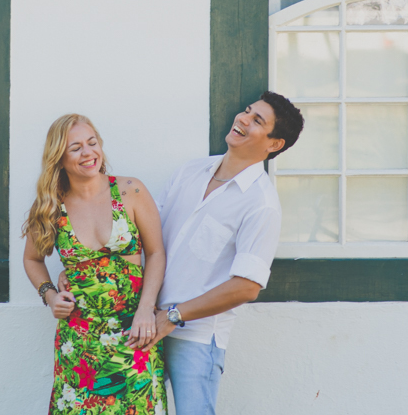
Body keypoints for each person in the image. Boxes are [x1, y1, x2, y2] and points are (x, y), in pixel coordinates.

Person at [70, 92, 302, 415]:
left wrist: (173, 316)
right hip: (141, 321)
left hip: (194, 337)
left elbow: (248, 285)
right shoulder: (190, 171)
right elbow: (143, 242)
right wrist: (77, 274)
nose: (243, 119)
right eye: (247, 111)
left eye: (257, 120)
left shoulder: (261, 204)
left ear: (274, 144)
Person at [23, 114, 169, 415]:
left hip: (135, 331)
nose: (88, 153)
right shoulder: (51, 206)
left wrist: (146, 309)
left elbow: (155, 254)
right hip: (79, 340)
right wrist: (50, 295)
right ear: (59, 159)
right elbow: (32, 259)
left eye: (92, 143)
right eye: (75, 148)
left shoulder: (131, 191)